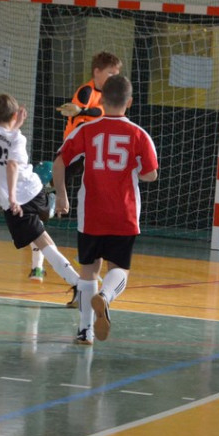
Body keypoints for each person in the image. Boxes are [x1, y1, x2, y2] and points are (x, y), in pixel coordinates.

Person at [54, 74, 158, 345]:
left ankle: (85, 331)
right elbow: (150, 174)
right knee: (119, 268)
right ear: (129, 102)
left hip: (91, 213)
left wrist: (62, 195)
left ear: (101, 100)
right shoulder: (139, 134)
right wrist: (134, 169)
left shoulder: (86, 130)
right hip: (124, 213)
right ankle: (106, 296)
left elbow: (60, 161)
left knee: (89, 271)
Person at [0, 94, 81, 302]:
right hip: (35, 190)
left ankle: (78, 284)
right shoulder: (18, 138)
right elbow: (9, 140)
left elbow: (11, 164)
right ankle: (47, 206)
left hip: (18, 200)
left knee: (41, 240)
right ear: (14, 115)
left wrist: (12, 198)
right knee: (41, 236)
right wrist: (17, 125)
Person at [56, 51, 123, 140]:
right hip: (76, 142)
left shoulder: (109, 94)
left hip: (94, 141)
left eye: (116, 75)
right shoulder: (86, 91)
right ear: (97, 72)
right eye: (111, 73)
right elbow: (77, 121)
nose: (114, 78)